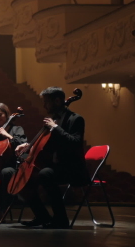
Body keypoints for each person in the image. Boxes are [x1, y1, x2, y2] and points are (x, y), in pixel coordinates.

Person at [14, 87, 88, 229]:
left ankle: (61, 219)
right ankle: (42, 216)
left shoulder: (76, 119)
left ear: (57, 101)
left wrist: (55, 127)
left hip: (72, 169)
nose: (44, 106)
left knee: (45, 174)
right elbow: (44, 145)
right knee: (23, 179)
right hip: (55, 166)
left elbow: (75, 142)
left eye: (46, 102)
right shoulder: (53, 120)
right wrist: (27, 146)